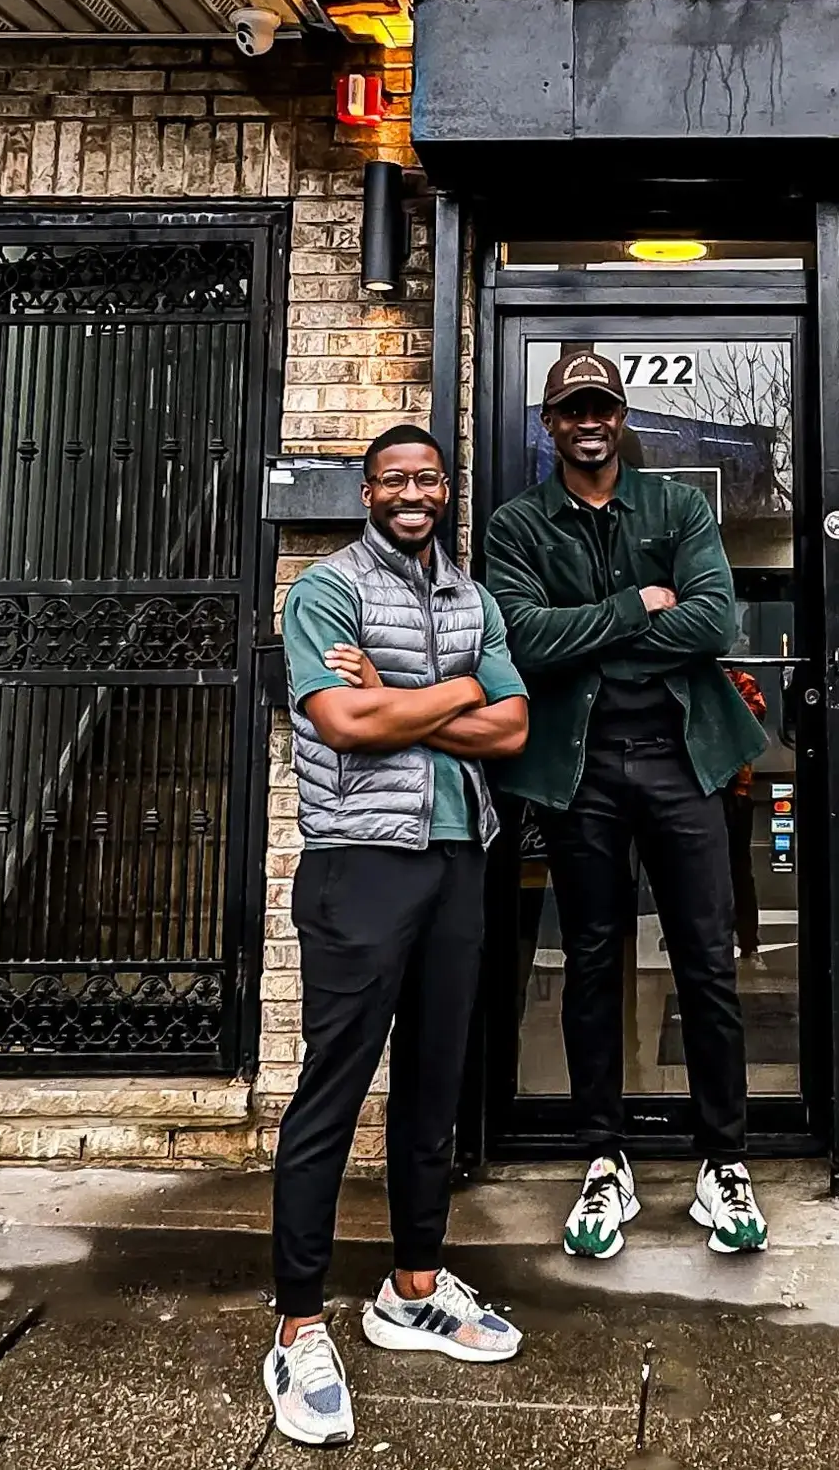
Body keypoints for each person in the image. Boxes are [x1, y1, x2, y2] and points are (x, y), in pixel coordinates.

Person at [263, 424, 530, 1447]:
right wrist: (452, 692)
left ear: (446, 490)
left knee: (433, 1085)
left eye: (427, 478)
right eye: (392, 480)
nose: (411, 493)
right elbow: (345, 725)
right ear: (367, 492)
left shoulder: (472, 599)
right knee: (333, 1088)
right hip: (360, 863)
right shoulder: (325, 590)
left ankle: (413, 1289)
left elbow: (512, 728)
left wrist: (400, 694)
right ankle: (297, 1323)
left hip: (459, 857)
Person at [485, 351, 771, 1262]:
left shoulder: (676, 507)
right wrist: (636, 607)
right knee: (593, 963)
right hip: (584, 769)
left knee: (707, 963)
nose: (589, 421)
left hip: (684, 759)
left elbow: (714, 621)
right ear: (551, 423)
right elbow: (523, 639)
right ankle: (603, 1158)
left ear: (620, 417)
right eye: (572, 409)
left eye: (601, 407)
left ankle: (723, 1161)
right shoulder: (518, 524)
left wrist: (595, 638)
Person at [721, 667, 768, 975]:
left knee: (739, 869)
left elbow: (752, 720)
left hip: (735, 789)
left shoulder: (742, 681)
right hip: (704, 788)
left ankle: (748, 940)